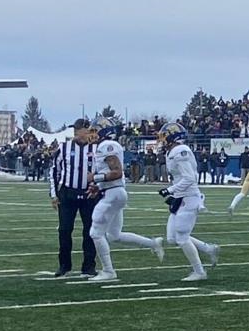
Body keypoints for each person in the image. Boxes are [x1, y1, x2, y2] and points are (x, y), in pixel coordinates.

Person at [85, 117, 164, 282]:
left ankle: (108, 271)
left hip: (113, 193)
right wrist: (97, 186)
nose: (92, 134)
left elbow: (117, 172)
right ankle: (153, 243)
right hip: (114, 191)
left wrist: (95, 177)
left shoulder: (107, 146)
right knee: (114, 235)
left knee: (95, 232)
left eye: (95, 130)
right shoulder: (107, 146)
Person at [156, 122, 220, 281]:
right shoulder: (173, 151)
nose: (162, 140)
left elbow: (190, 178)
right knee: (172, 238)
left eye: (164, 136)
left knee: (182, 238)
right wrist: (173, 192)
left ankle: (199, 271)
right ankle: (208, 249)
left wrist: (169, 190)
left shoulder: (180, 151)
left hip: (189, 198)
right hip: (180, 197)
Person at [49, 118, 99, 277]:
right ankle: (64, 265)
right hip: (68, 193)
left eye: (79, 129)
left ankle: (89, 265)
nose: (76, 133)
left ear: (87, 130)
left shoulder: (97, 148)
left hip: (89, 194)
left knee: (90, 231)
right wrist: (53, 194)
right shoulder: (63, 148)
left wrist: (98, 185)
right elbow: (54, 172)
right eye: (75, 130)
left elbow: (104, 170)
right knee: (64, 230)